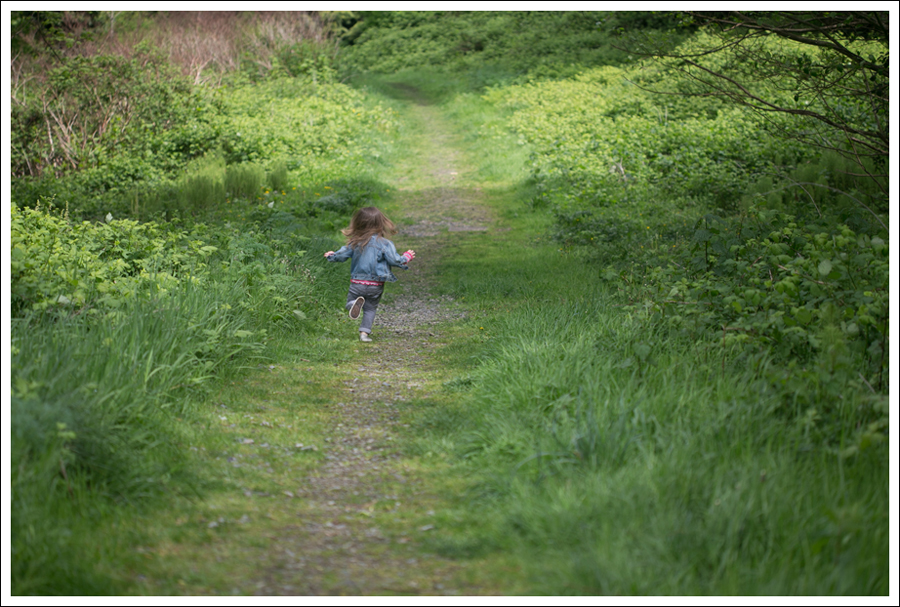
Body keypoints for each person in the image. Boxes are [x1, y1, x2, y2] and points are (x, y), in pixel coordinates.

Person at [324, 207, 415, 342]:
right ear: (380, 224)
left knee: (350, 302)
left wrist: (332, 255)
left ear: (358, 223)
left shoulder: (355, 242)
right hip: (376, 284)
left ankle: (354, 304)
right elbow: (394, 260)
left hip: (357, 283)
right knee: (370, 309)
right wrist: (406, 257)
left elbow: (342, 255)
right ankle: (364, 334)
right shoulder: (385, 244)